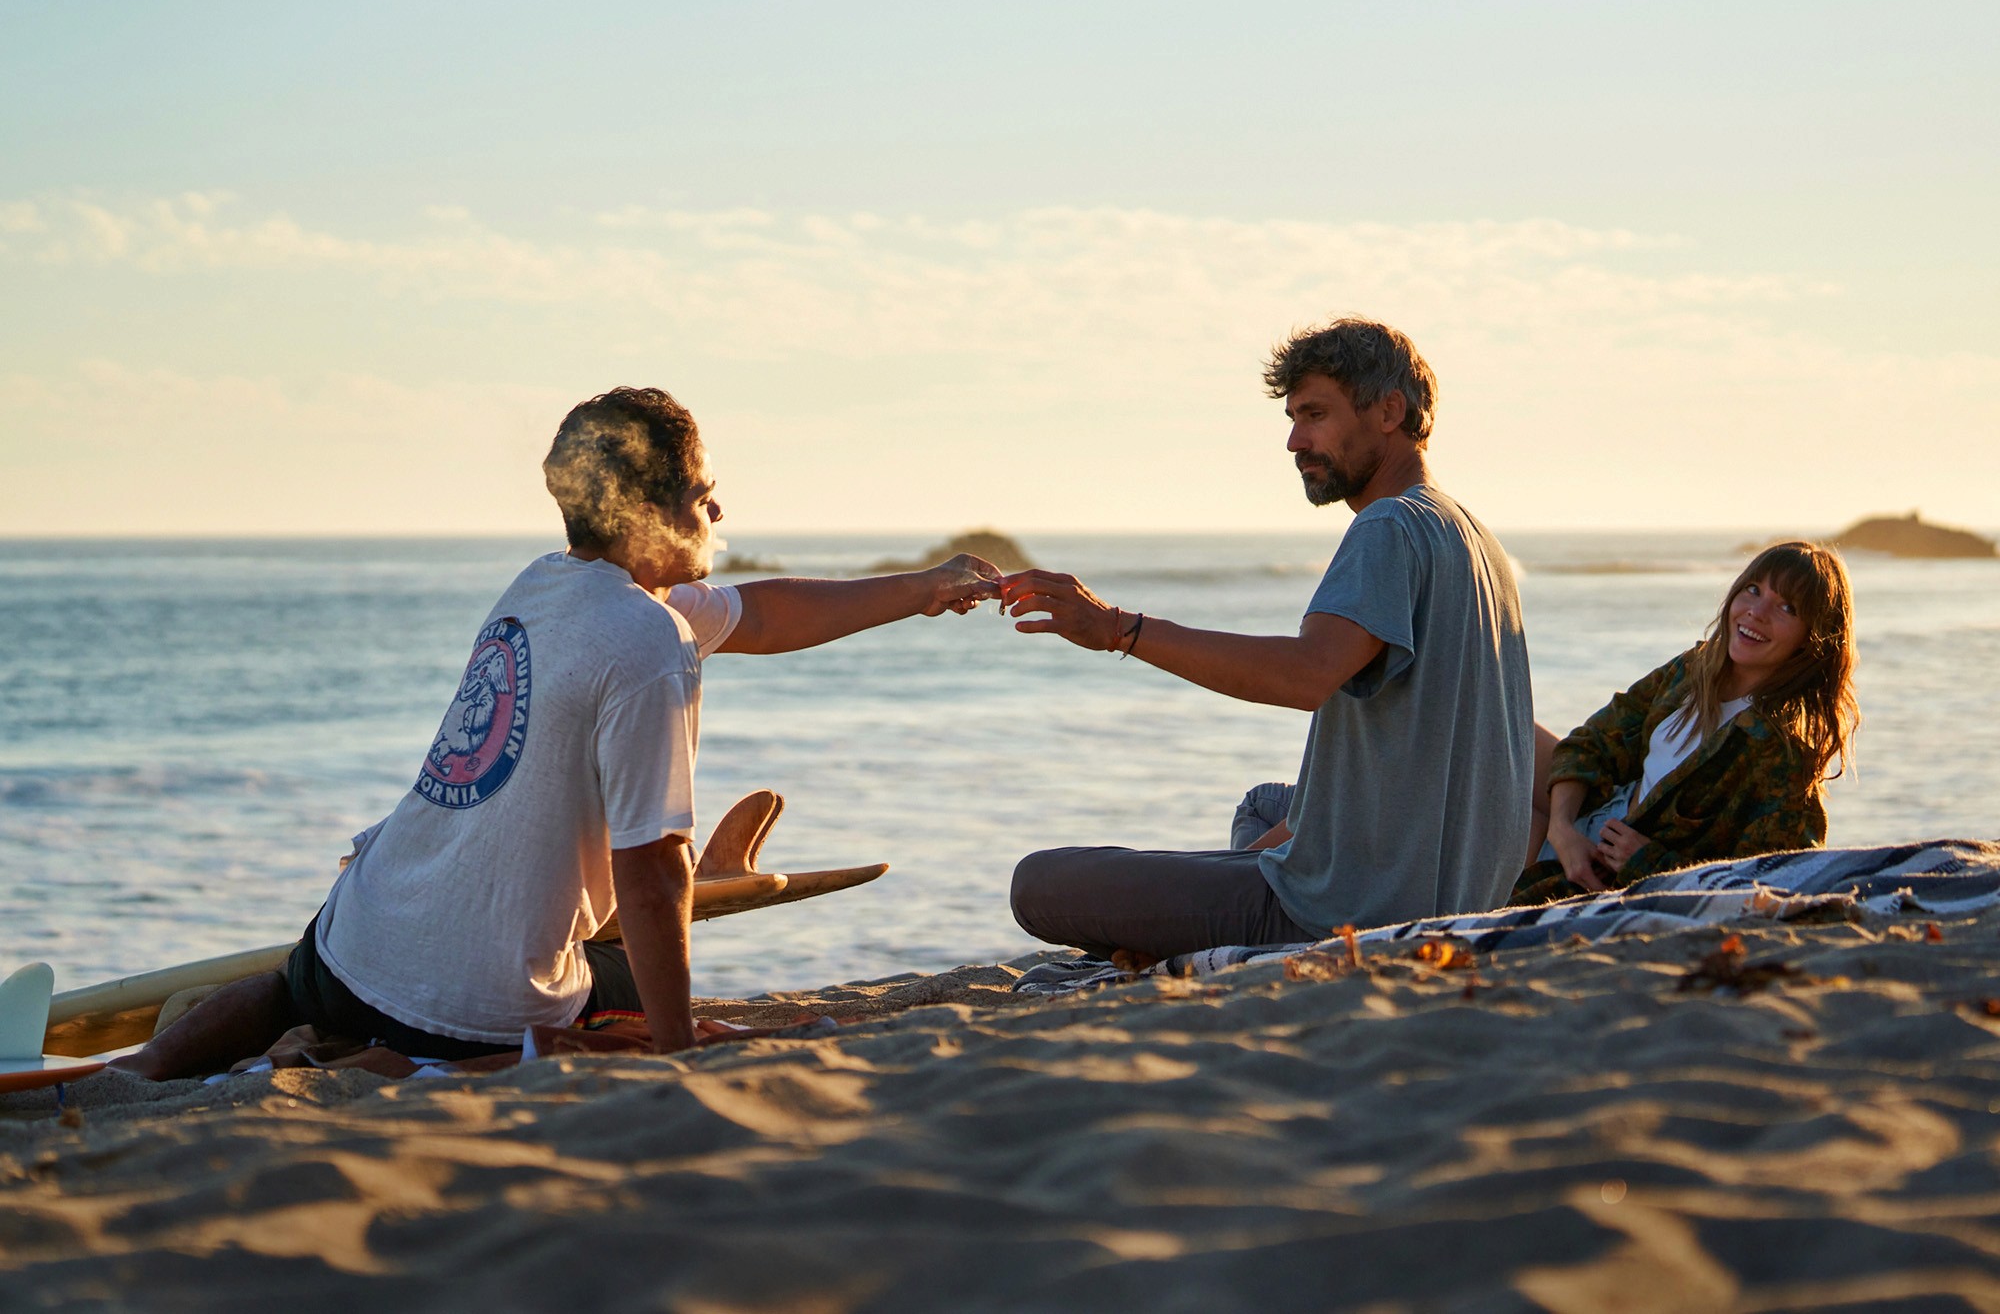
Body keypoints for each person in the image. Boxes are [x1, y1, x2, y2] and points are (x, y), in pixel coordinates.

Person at [112, 386, 998, 1078]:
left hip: (353, 946)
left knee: (283, 987)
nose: (719, 516)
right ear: (651, 513)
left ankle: (142, 1068)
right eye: (704, 495)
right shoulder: (649, 641)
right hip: (474, 1015)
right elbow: (650, 871)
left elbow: (762, 613)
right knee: (623, 974)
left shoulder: (547, 585)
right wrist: (680, 1048)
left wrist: (924, 587)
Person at [1005, 317, 1534, 962]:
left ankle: (1199, 929)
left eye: (1315, 415)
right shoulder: (1476, 539)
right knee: (1263, 807)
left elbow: (1305, 675)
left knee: (1039, 884)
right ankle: (1201, 914)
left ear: (1390, 411)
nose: (1294, 441)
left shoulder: (1387, 529)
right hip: (1457, 891)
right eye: (1292, 418)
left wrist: (1123, 630)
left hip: (1356, 912)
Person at [1511, 540, 1858, 903]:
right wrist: (1562, 830)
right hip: (1591, 814)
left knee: (1478, 820)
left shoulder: (1781, 752)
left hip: (1601, 870)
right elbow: (1594, 740)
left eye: (1787, 607)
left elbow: (1768, 882)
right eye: (1753, 590)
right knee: (1503, 732)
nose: (1757, 612)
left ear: (1811, 639)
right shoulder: (1694, 669)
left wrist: (1648, 863)